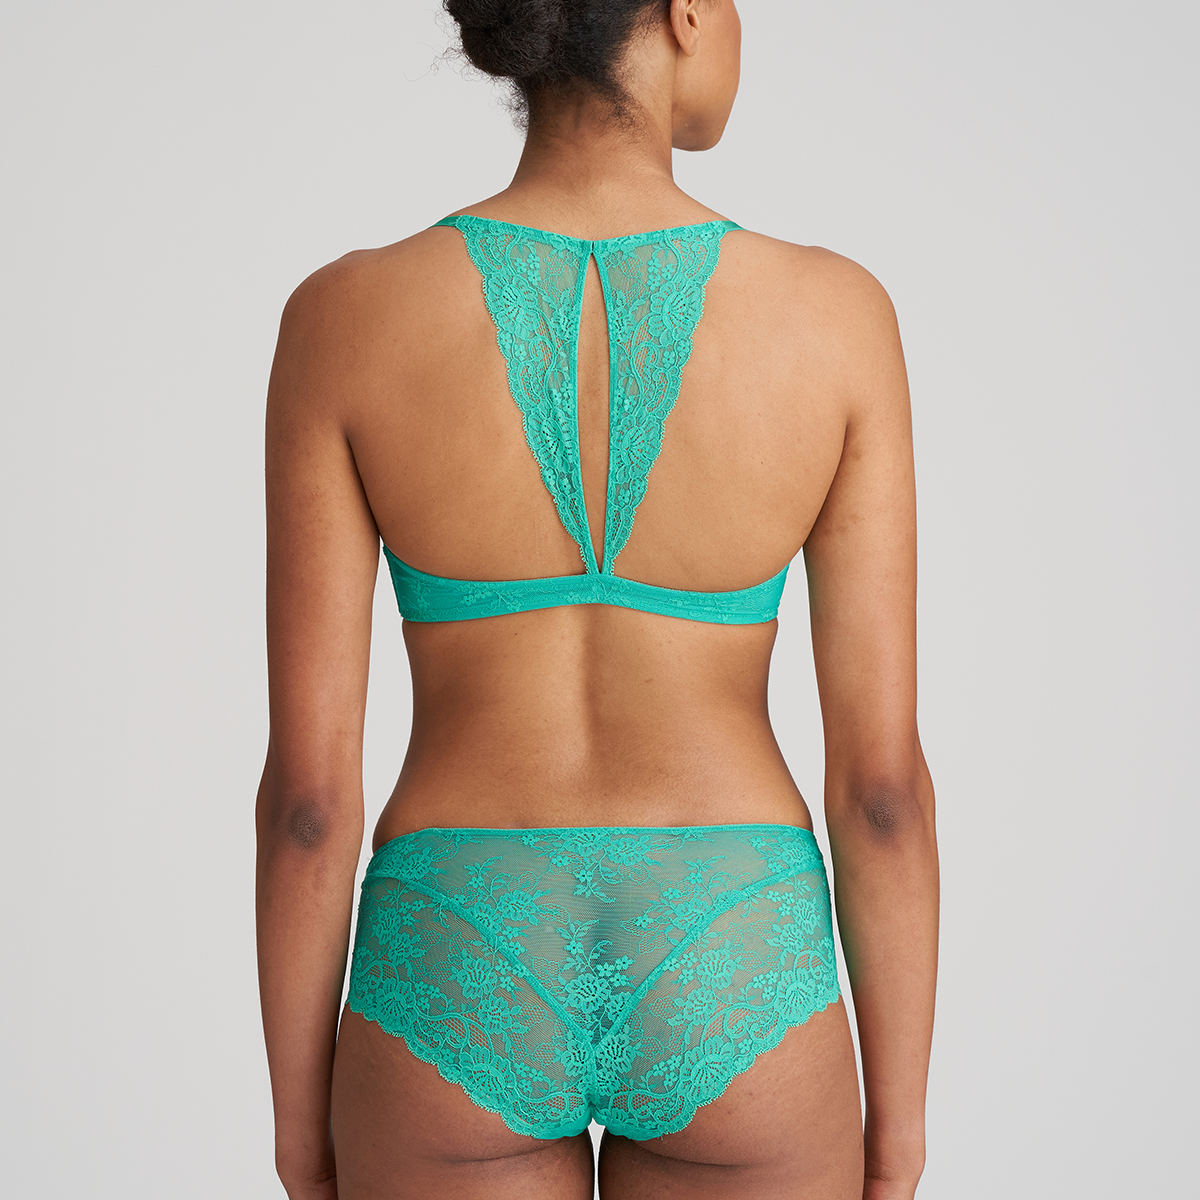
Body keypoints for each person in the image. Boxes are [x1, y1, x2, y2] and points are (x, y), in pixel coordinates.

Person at [256, 0, 939, 1196]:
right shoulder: (836, 320)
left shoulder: (343, 317)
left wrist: (301, 1135)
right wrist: (899, 1133)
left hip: (453, 955)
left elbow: (309, 807)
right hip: (735, 951)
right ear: (684, 11)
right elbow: (881, 797)